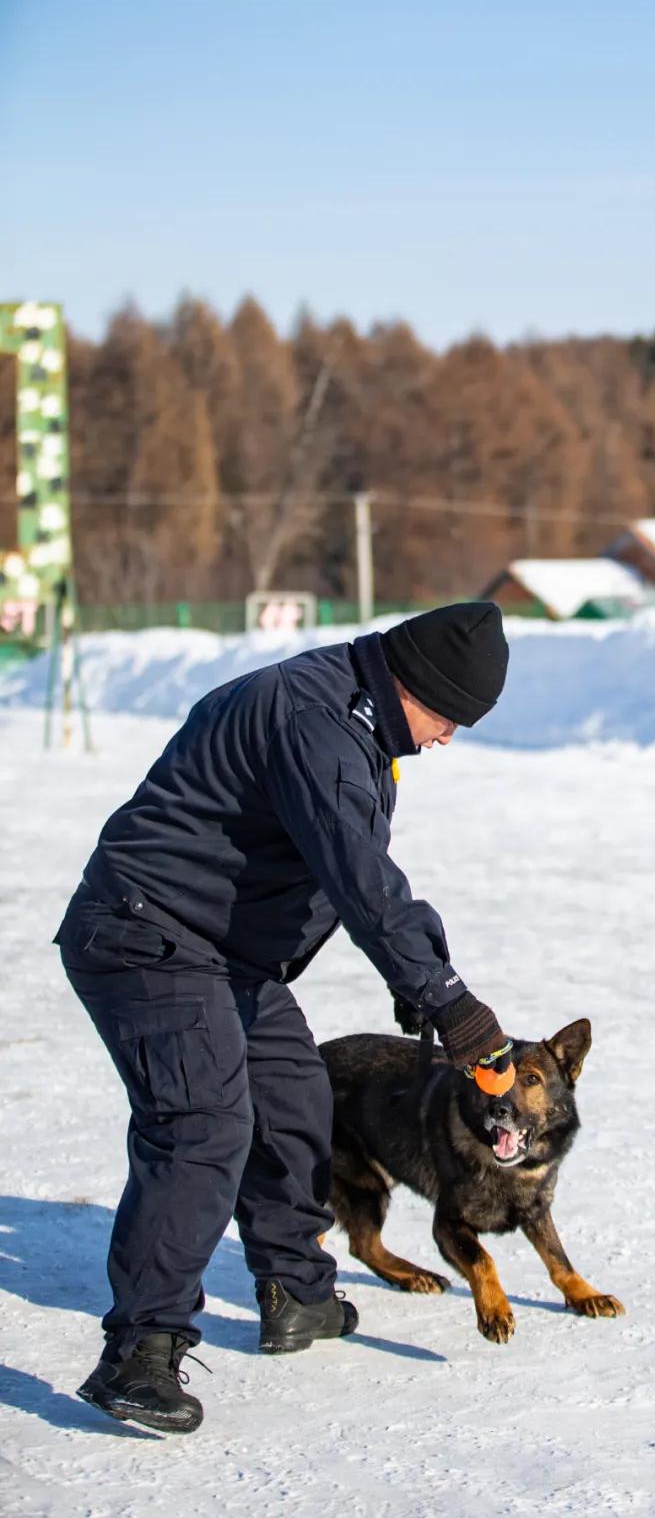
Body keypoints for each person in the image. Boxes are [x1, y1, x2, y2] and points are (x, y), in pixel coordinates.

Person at [55, 601, 511, 1434]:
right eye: (448, 716)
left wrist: (419, 972)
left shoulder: (351, 712)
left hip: (221, 949)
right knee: (201, 1125)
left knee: (296, 1096)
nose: (448, 737)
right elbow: (357, 872)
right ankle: (139, 1353)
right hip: (144, 932)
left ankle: (295, 1291)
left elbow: (358, 866)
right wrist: (453, 1006)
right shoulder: (318, 721)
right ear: (414, 684)